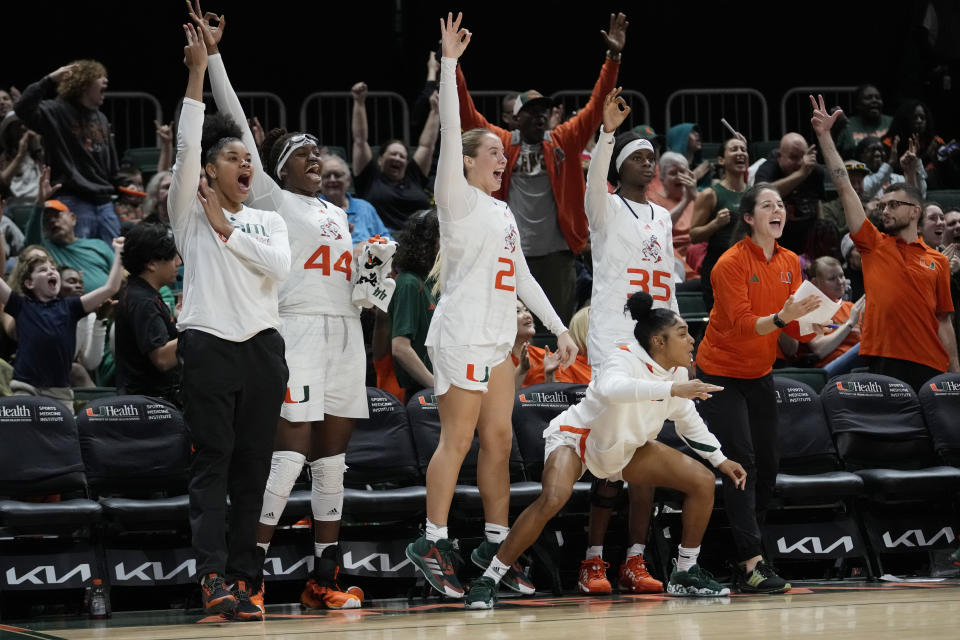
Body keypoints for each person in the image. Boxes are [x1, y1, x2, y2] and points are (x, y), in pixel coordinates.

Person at [191, 3, 365, 611]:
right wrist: (213, 57)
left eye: (321, 154)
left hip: (347, 331)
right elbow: (236, 117)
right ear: (276, 165)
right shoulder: (269, 199)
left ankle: (326, 575)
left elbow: (352, 282)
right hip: (296, 330)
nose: (316, 160)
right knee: (286, 454)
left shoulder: (340, 213)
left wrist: (373, 283)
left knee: (333, 458)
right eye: (303, 154)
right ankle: (252, 575)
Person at [405, 13, 578, 600]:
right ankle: (431, 540)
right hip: (459, 335)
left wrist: (557, 328)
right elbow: (453, 131)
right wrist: (450, 65)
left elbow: (523, 275)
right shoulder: (454, 197)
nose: (503, 157)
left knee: (500, 440)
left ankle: (493, 546)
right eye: (494, 152)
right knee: (456, 441)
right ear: (471, 161)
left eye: (504, 153)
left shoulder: (503, 213)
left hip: (501, 335)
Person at [464, 291, 748, 608]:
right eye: (682, 334)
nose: (691, 340)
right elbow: (614, 390)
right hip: (579, 438)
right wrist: (672, 389)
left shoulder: (678, 374)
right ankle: (489, 577)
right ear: (659, 341)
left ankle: (685, 573)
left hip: (625, 446)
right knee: (554, 497)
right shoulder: (623, 358)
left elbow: (686, 420)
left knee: (703, 480)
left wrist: (720, 460)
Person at [170, 22, 290, 622]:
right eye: (234, 158)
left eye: (250, 157)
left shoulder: (264, 218)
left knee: (254, 469)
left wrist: (231, 230)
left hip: (263, 348)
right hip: (209, 344)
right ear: (210, 172)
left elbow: (279, 265)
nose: (246, 162)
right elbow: (189, 144)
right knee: (212, 463)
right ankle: (211, 577)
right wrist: (198, 71)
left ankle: (247, 580)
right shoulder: (186, 214)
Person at [453, 13, 628, 331]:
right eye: (530, 112)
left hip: (557, 256)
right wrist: (453, 64)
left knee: (555, 329)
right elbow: (466, 111)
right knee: (509, 330)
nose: (538, 117)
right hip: (509, 253)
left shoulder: (564, 140)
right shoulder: (501, 143)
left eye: (543, 112)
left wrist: (613, 57)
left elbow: (596, 103)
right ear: (514, 119)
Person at [575, 88, 679, 595]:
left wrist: (679, 342)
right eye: (638, 156)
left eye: (652, 157)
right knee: (611, 450)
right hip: (614, 340)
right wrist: (608, 132)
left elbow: (669, 284)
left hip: (656, 344)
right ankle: (592, 559)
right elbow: (594, 180)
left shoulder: (662, 217)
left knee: (647, 449)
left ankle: (634, 559)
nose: (648, 162)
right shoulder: (605, 209)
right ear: (618, 166)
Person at [695, 182, 822, 594]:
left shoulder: (790, 261)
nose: (778, 210)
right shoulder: (728, 264)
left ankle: (748, 555)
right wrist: (786, 318)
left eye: (781, 204)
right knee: (742, 463)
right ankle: (752, 562)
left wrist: (818, 322)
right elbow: (745, 324)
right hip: (719, 374)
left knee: (768, 464)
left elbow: (795, 328)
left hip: (759, 373)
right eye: (768, 205)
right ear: (749, 218)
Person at [811, 94, 959, 391]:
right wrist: (825, 136)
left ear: (915, 211)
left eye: (893, 205)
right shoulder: (873, 244)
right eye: (884, 205)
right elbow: (843, 185)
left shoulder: (938, 261)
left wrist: (955, 373)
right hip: (884, 362)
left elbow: (944, 323)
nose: (885, 209)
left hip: (932, 366)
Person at [0, 235, 123, 403]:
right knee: (22, 427)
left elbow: (111, 288)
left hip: (60, 392)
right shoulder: (21, 306)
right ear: (29, 283)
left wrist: (118, 252)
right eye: (43, 270)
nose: (51, 271)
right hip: (25, 388)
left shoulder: (71, 307)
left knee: (65, 429)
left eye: (53, 268)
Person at [15, 59, 121, 243]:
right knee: (79, 257)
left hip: (104, 202)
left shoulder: (101, 118)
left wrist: (125, 184)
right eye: (99, 77)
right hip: (73, 199)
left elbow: (110, 166)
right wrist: (48, 80)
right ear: (83, 83)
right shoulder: (56, 111)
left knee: (114, 257)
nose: (106, 81)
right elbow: (22, 108)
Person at [351, 82, 437, 231]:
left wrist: (436, 111)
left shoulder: (414, 176)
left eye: (402, 156)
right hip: (381, 241)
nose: (397, 158)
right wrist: (359, 102)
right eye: (393, 154)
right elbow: (360, 140)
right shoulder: (369, 177)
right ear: (380, 159)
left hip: (416, 241)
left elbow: (427, 146)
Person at [114, 222, 180, 401]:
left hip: (147, 402)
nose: (179, 262)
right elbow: (163, 359)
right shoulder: (143, 300)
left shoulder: (139, 292)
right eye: (172, 256)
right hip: (149, 408)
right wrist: (196, 328)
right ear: (151, 263)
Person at [689, 137, 750, 312]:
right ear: (721, 160)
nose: (740, 153)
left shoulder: (754, 194)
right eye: (734, 149)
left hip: (748, 267)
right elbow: (693, 236)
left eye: (743, 149)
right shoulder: (710, 194)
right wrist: (715, 224)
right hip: (718, 266)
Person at [781, 257, 867, 376]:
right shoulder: (807, 308)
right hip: (829, 369)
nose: (840, 282)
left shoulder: (851, 307)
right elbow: (819, 349)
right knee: (863, 348)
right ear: (815, 283)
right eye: (832, 278)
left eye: (841, 276)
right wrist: (850, 323)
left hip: (859, 366)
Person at [389, 209, 439, 400]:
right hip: (424, 393)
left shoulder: (435, 280)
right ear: (426, 241)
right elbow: (400, 348)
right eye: (443, 236)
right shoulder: (409, 282)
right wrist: (437, 387)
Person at [25, 187, 115, 292]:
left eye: (57, 215)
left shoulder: (98, 245)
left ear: (73, 218)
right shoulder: (44, 251)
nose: (52, 221)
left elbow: (120, 274)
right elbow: (31, 238)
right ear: (43, 229)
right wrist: (39, 203)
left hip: (110, 303)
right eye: (46, 220)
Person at [753, 133, 825, 255]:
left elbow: (818, 202)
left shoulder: (815, 171)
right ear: (780, 156)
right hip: (775, 245)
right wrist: (801, 174)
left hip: (807, 245)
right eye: (793, 158)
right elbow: (761, 193)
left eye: (803, 157)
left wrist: (821, 231)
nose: (800, 163)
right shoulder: (769, 168)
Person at [647, 151, 700, 281]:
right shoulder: (651, 200)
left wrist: (696, 197)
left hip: (697, 253)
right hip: (672, 257)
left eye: (683, 172)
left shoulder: (696, 196)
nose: (679, 176)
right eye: (673, 173)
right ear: (662, 178)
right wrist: (686, 201)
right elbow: (659, 228)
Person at [319, 153, 392, 245]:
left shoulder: (365, 208)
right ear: (319, 181)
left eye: (337, 175)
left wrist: (367, 248)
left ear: (348, 180)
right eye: (327, 176)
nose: (332, 180)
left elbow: (388, 241)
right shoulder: (314, 210)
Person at [513, 303, 591, 388]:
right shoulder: (498, 357)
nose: (527, 315)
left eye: (526, 310)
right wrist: (521, 370)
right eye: (517, 311)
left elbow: (555, 396)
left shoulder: (545, 357)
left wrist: (549, 376)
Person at [836, 84, 894, 159]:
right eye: (868, 98)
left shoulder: (891, 122)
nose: (874, 100)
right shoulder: (847, 125)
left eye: (878, 97)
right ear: (858, 104)